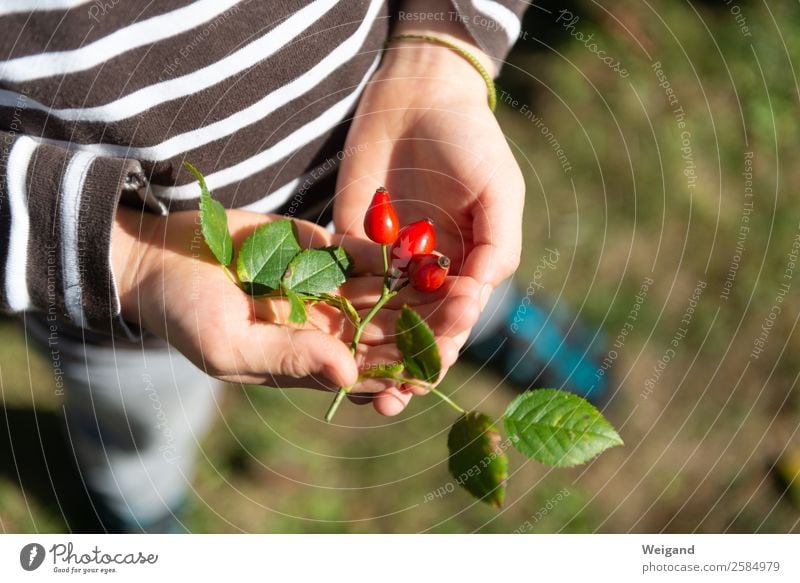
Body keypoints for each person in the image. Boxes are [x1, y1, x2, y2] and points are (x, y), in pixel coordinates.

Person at [0, 0, 604, 532]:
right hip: (121, 291)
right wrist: (127, 256)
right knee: (138, 429)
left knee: (451, 279)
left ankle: (493, 321)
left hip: (377, 146)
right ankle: (141, 512)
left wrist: (442, 51)